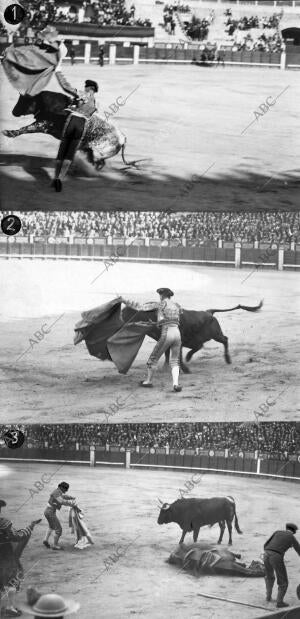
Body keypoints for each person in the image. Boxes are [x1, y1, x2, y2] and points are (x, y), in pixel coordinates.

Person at [121, 288, 182, 392]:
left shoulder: (160, 304)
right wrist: (156, 323)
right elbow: (176, 318)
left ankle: (148, 381)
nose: (159, 297)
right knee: (175, 360)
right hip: (177, 334)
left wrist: (124, 301)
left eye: (160, 295)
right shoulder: (177, 305)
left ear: (162, 295)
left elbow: (140, 307)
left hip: (167, 333)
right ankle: (175, 384)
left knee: (152, 360)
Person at [52, 66, 99, 192]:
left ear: (90, 88)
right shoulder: (95, 104)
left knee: (62, 152)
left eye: (86, 87)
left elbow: (66, 86)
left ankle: (55, 177)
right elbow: (88, 115)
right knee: (70, 154)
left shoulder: (83, 94)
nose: (84, 88)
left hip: (72, 122)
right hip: (81, 126)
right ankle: (60, 179)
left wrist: (58, 72)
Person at [0, 500, 41, 618]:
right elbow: (17, 537)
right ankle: (10, 607)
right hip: (5, 555)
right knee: (11, 581)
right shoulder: (4, 523)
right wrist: (30, 527)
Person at [263, 522, 300, 608]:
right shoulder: (291, 537)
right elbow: (299, 550)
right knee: (283, 581)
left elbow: (266, 544)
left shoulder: (277, 532)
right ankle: (279, 602)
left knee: (269, 576)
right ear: (294, 531)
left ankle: (268, 597)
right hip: (276, 556)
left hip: (265, 554)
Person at [43, 482, 76, 550]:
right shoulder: (56, 492)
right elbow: (61, 501)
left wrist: (71, 497)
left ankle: (45, 540)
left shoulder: (58, 491)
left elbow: (63, 496)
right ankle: (55, 545)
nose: (66, 491)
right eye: (66, 489)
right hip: (50, 512)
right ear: (62, 488)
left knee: (51, 526)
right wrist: (71, 504)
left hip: (49, 511)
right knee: (59, 529)